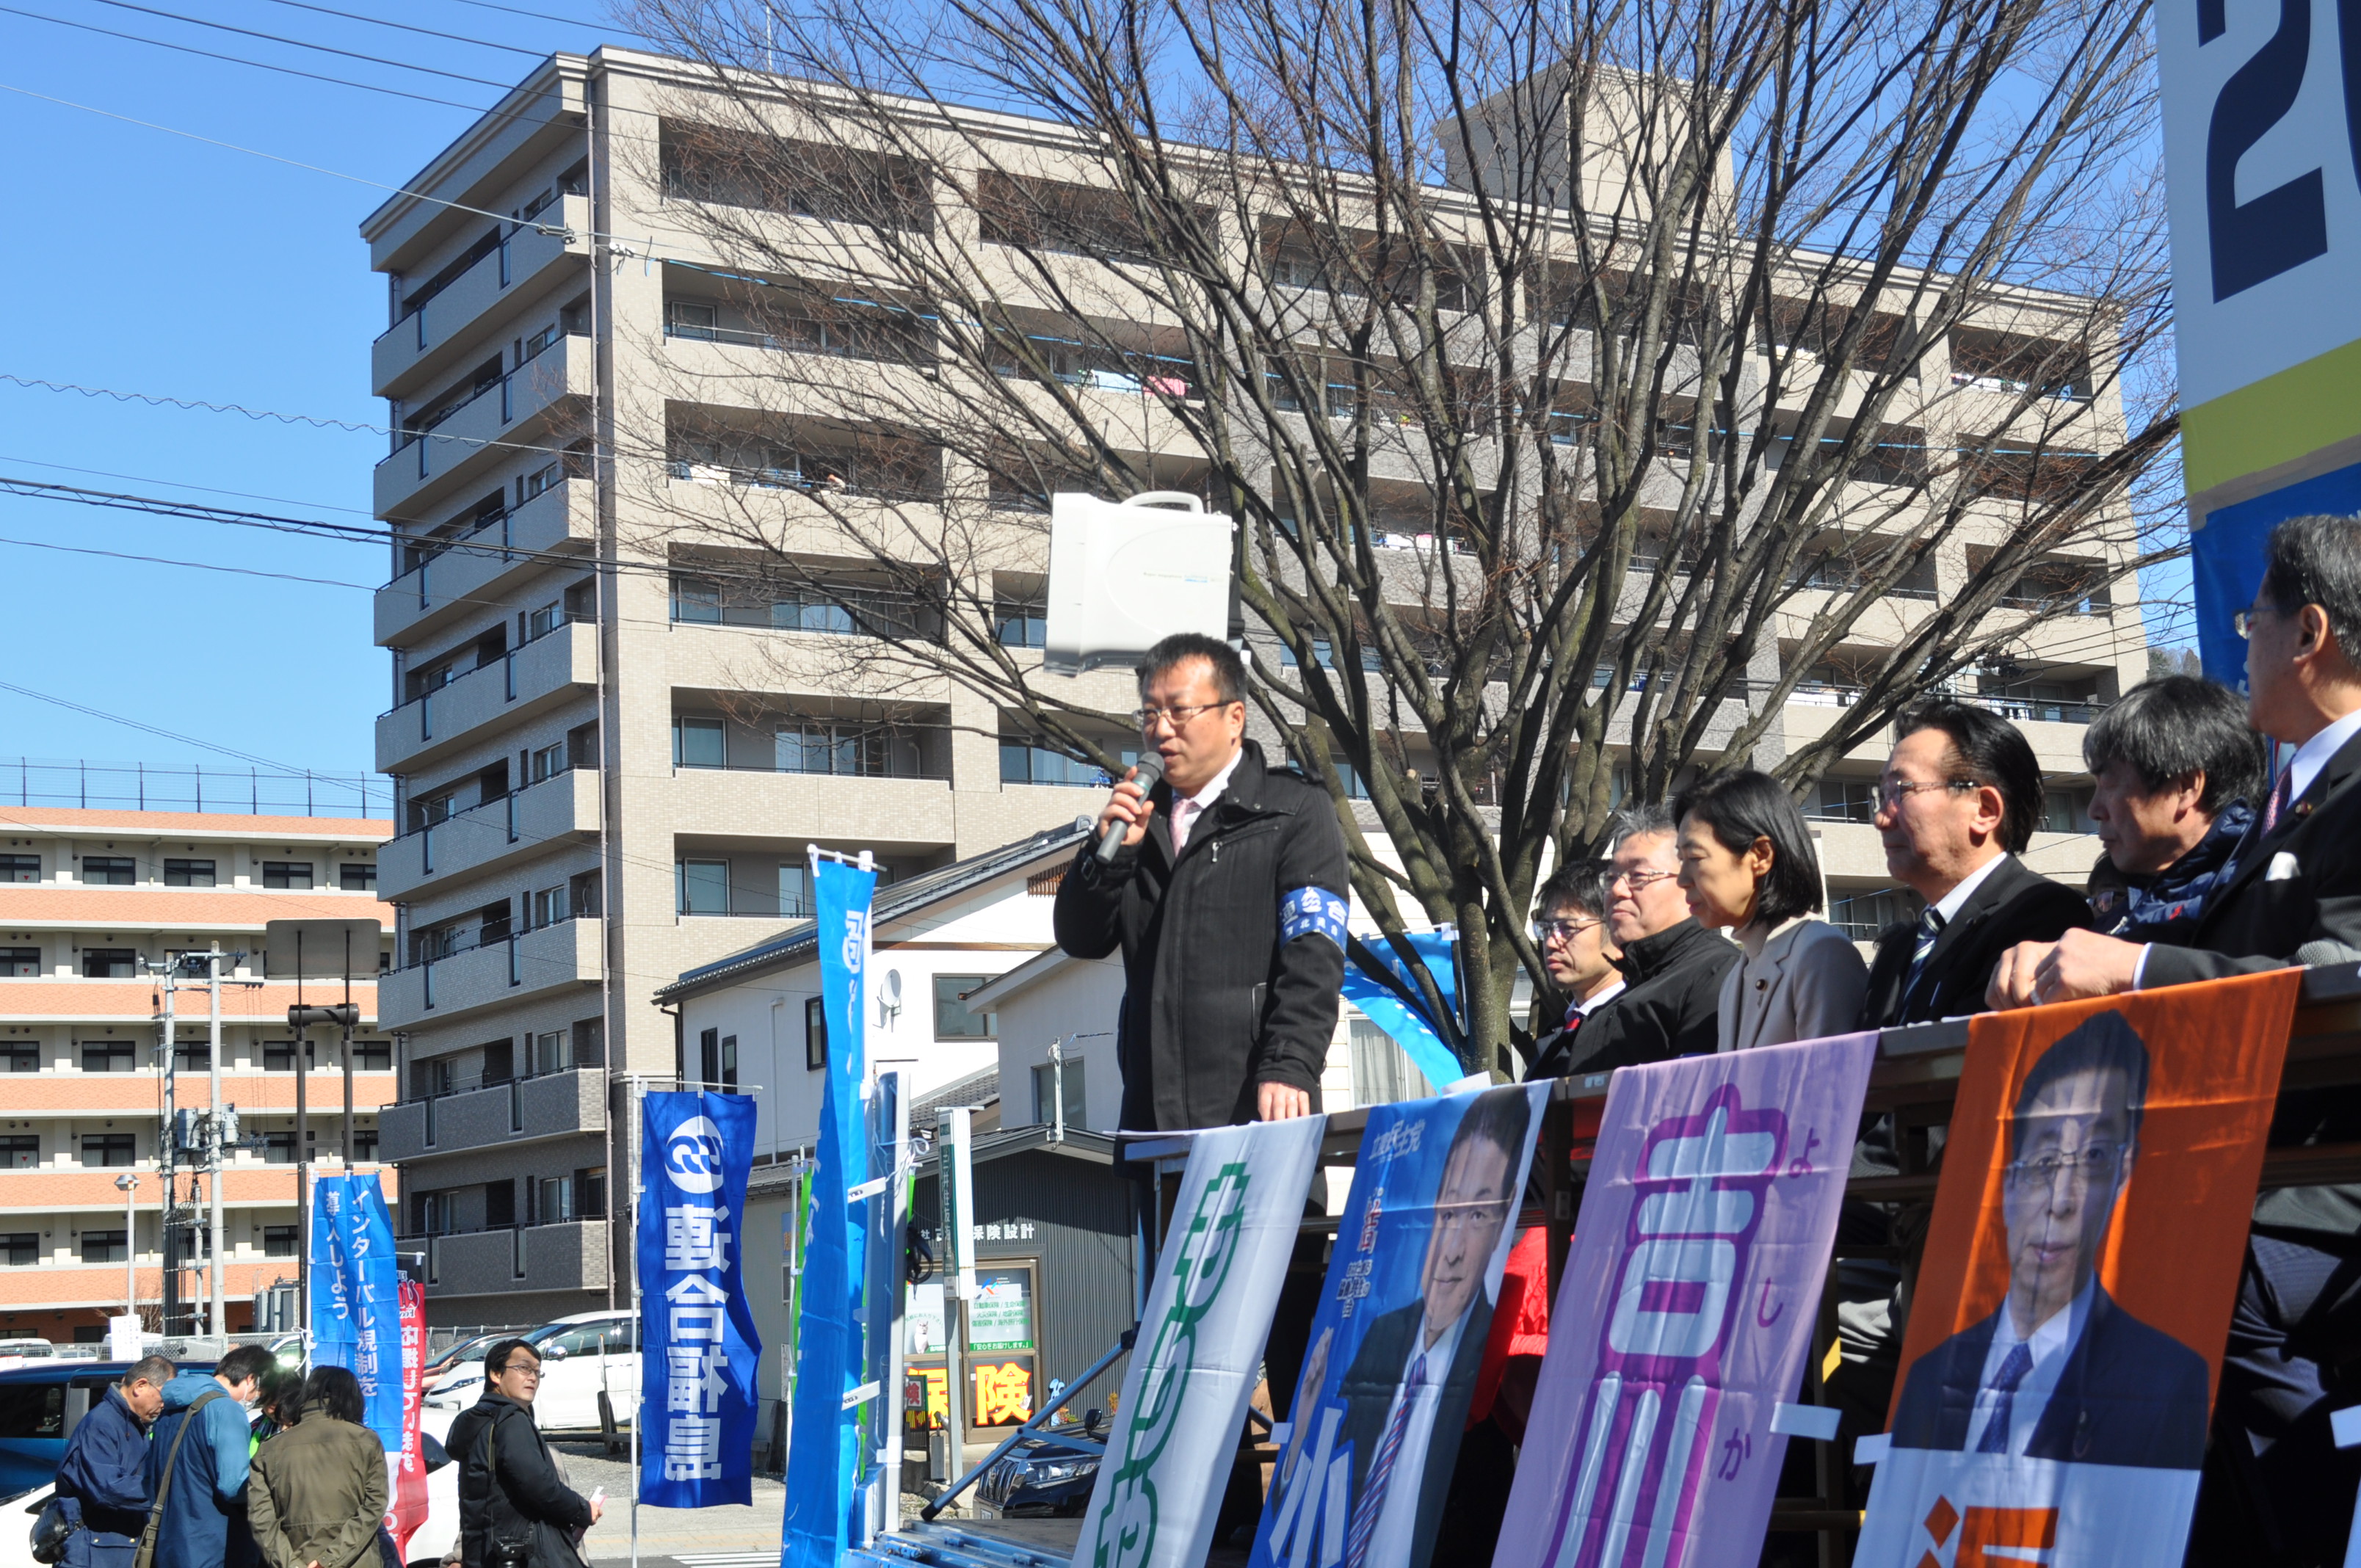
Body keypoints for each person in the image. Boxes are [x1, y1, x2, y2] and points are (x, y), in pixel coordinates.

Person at [1053, 631, 1350, 1133]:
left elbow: (1314, 954)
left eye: (1178, 711)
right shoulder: (1138, 824)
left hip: (1257, 1115)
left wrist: (1290, 1062)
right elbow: (1079, 938)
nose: (1160, 730)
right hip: (1154, 1122)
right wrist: (1107, 858)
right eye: (1148, 714)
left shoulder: (1292, 809)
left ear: (1235, 717)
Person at [1889, 1011, 2210, 1467]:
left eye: (2094, 1157)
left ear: (2124, 1173)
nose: (2061, 1201)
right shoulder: (1929, 1374)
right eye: (2042, 1163)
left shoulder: (2166, 1381)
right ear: (2006, 1181)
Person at [1330, 1088, 1531, 1568]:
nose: (1452, 1248)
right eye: (1448, 1211)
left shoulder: (1485, 1373)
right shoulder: (1378, 1335)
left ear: (1505, 1223)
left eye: (1479, 1214)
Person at [1857, 699, 2093, 1029]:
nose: (1882, 818)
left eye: (1900, 791)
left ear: (1984, 809)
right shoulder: (1899, 951)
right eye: (1881, 797)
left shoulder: (2040, 918)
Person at [1674, 769, 1868, 1051]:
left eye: (1695, 858)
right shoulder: (1735, 978)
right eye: (1681, 859)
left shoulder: (1821, 954)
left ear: (1761, 856)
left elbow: (1829, 1086)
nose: (1682, 879)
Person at [1545, 805, 1738, 1072]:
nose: (1617, 890)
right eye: (1611, 876)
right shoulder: (1617, 998)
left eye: (1637, 876)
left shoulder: (1718, 975)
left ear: (1690, 882)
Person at [2078, 675, 2263, 939]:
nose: (2094, 810)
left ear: (2185, 788)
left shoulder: (2269, 895)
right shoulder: (2112, 921)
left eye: (2109, 784)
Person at [446, 1340, 598, 1568]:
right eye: (524, 1368)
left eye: (537, 1371)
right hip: (524, 1553)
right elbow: (539, 1486)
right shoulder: (511, 1420)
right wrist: (584, 1510)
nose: (533, 1377)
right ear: (496, 1374)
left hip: (485, 1552)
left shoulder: (476, 1420)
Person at [143, 1343, 273, 1568]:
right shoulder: (225, 1409)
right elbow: (234, 1486)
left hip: (168, 1542)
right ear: (251, 1379)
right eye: (259, 1392)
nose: (256, 1398)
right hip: (211, 1545)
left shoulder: (170, 1408)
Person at [247, 1366, 388, 1568]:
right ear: (353, 1397)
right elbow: (374, 1507)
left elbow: (261, 1518)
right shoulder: (367, 1441)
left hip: (293, 1557)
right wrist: (328, 1561)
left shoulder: (270, 1449)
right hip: (355, 1561)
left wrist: (291, 1564)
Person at [51, 1354, 172, 1568]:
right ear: (141, 1386)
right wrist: (166, 1491)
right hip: (93, 1551)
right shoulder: (101, 1423)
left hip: (115, 1547)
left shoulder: (135, 1424)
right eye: (164, 1396)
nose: (164, 1405)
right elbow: (109, 1488)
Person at [1523, 860, 1625, 1078]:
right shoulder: (1559, 1033)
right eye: (1546, 929)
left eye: (1568, 928)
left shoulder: (1636, 1025)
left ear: (1618, 929)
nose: (1551, 942)